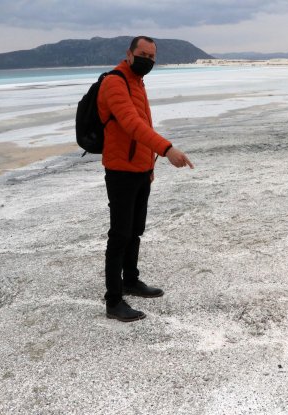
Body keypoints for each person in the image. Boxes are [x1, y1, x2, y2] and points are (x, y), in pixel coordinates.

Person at [97, 35, 194, 322]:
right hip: (120, 172)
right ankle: (114, 301)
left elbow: (144, 127)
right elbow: (131, 124)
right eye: (143, 54)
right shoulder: (115, 82)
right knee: (120, 235)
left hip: (140, 170)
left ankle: (131, 280)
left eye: (152, 57)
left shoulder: (138, 82)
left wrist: (149, 166)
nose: (147, 61)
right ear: (129, 53)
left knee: (135, 230)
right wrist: (166, 149)